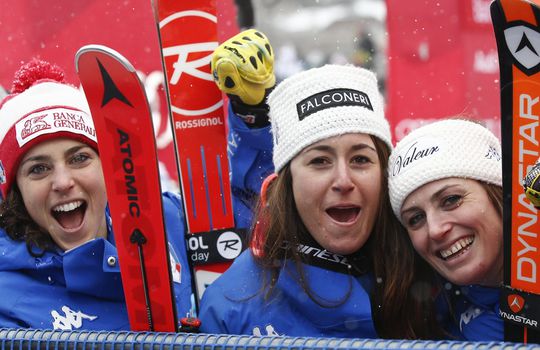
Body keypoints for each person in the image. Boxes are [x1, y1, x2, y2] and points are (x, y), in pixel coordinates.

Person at [199, 59, 448, 338]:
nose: (343, 180)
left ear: (384, 172)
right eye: (320, 161)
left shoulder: (433, 269)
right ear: (287, 181)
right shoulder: (233, 306)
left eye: (360, 159)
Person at [0, 59, 193, 330]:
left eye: (79, 158)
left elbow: (258, 230)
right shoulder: (7, 301)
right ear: (16, 191)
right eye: (39, 169)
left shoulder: (167, 219)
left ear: (108, 165)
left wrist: (249, 120)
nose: (63, 182)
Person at [387, 119, 503, 341]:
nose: (435, 230)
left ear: (496, 193)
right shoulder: (426, 313)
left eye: (451, 200)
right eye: (416, 218)